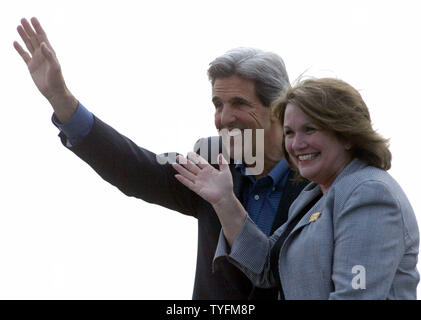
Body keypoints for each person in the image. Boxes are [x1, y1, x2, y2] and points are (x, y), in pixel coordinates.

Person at [13, 17, 308, 299]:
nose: (224, 118)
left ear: (277, 109)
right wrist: (60, 98)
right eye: (218, 104)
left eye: (239, 103)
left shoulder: (317, 178)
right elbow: (134, 168)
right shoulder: (211, 162)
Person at [172, 78, 420, 299]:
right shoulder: (312, 196)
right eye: (289, 132)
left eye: (309, 129)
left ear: (347, 135)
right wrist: (224, 201)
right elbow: (266, 266)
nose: (296, 144)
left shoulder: (369, 194)